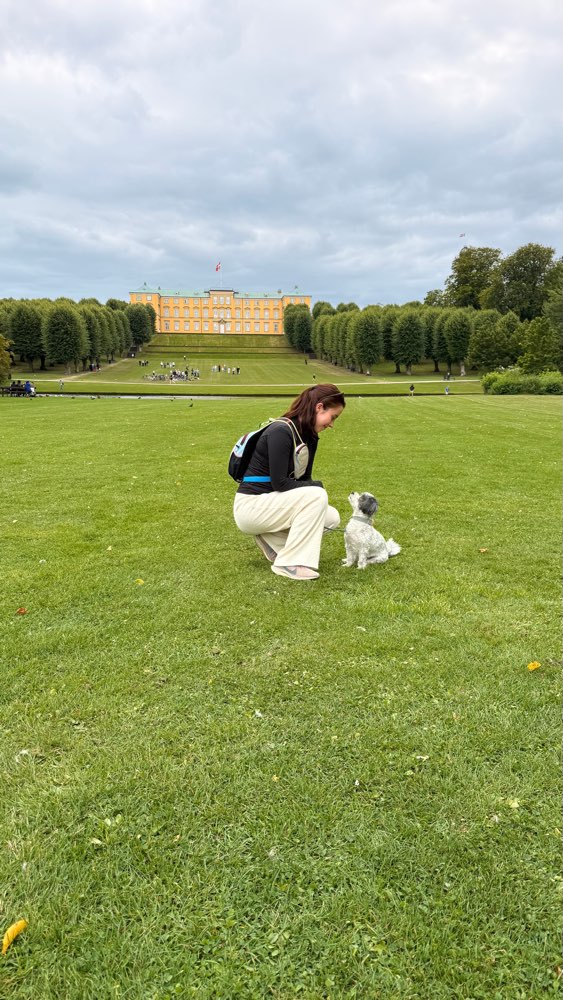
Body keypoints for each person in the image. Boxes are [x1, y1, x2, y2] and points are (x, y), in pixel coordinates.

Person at [233, 384, 345, 581]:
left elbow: (304, 479)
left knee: (331, 518)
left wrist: (314, 487)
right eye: (333, 417)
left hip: (271, 505)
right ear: (319, 407)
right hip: (250, 507)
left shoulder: (309, 437)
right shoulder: (280, 431)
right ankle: (289, 563)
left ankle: (271, 541)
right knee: (316, 496)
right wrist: (317, 487)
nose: (332, 424)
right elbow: (280, 483)